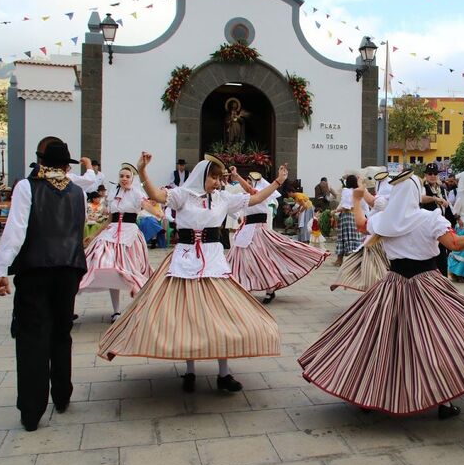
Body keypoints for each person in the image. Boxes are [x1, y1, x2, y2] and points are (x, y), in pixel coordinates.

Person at [299, 170, 464, 419]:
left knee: (379, 340)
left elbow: (361, 223)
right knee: (441, 338)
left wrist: (359, 199)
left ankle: (368, 394)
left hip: (392, 283)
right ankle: (444, 401)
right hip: (427, 284)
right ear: (416, 193)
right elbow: (455, 244)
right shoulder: (429, 219)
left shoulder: (386, 220)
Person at [98, 153, 284, 393]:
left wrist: (278, 182)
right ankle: (190, 371)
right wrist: (142, 171)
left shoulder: (223, 198)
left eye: (219, 178)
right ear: (202, 176)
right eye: (213, 178)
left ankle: (224, 373)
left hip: (214, 260)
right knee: (187, 315)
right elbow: (156, 196)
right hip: (185, 260)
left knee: (220, 315)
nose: (217, 182)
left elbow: (255, 197)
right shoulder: (182, 195)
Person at [0, 141, 87, 431]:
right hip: (69, 269)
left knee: (33, 336)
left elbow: (16, 230)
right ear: (65, 165)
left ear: (40, 160)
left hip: (35, 270)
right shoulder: (78, 192)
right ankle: (61, 395)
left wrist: (1, 268)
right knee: (61, 331)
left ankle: (32, 411)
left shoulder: (27, 187)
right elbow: (77, 230)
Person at [227, 171, 328, 304]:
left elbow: (251, 190)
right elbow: (246, 194)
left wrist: (237, 176)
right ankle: (246, 286)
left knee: (261, 260)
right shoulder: (246, 195)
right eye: (249, 180)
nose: (249, 182)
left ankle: (269, 289)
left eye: (251, 180)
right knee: (240, 259)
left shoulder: (262, 194)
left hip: (258, 231)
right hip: (246, 231)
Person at [79, 163, 156, 323]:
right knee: (106, 265)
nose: (124, 179)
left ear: (132, 178)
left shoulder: (136, 193)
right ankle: (116, 311)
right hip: (112, 233)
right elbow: (109, 219)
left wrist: (157, 211)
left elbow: (147, 205)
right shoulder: (113, 193)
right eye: (122, 176)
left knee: (132, 271)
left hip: (129, 235)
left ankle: (143, 307)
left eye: (127, 176)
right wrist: (93, 235)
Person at [331, 172, 391, 292]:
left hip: (356, 220)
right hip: (369, 225)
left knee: (347, 238)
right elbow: (367, 206)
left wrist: (336, 211)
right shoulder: (395, 200)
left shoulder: (350, 192)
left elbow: (364, 210)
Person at [420, 163, 456, 276]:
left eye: (435, 173)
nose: (433, 176)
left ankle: (442, 286)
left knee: (442, 261)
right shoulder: (423, 188)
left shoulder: (442, 189)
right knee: (430, 262)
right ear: (426, 175)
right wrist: (435, 199)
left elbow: (448, 208)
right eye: (430, 173)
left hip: (441, 230)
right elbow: (420, 199)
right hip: (428, 230)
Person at [333, 174, 367, 265]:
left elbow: (345, 206)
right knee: (355, 237)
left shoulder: (346, 191)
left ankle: (339, 260)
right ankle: (356, 260)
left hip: (347, 216)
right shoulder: (359, 191)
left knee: (343, 237)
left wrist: (335, 211)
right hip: (356, 215)